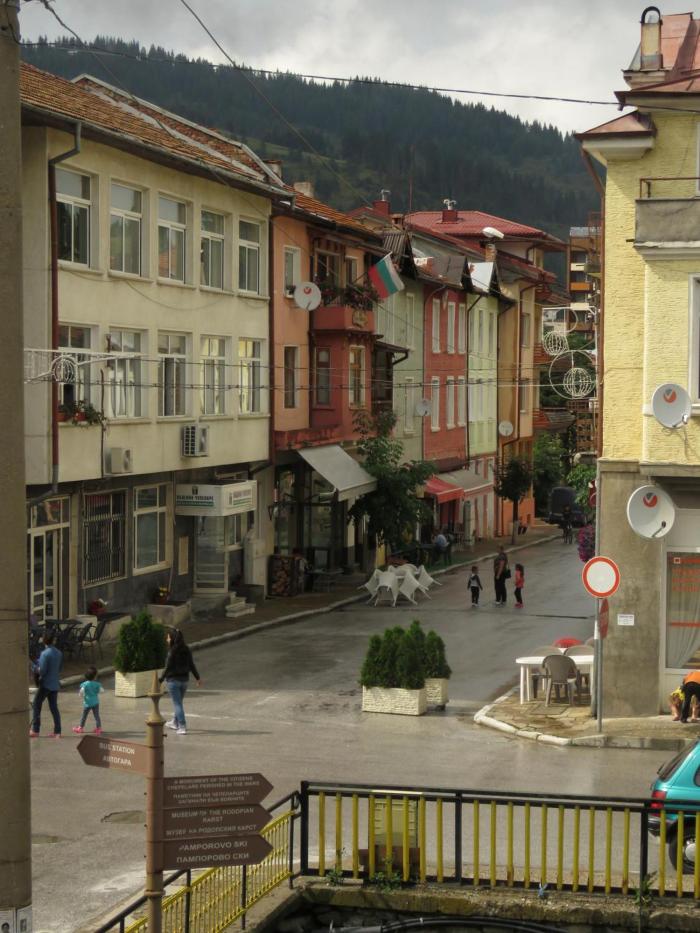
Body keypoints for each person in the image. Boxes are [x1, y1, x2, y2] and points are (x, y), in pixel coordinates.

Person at [159, 629, 202, 735]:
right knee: (178, 703)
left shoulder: (172, 651)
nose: (167, 639)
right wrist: (198, 678)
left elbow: (167, 667)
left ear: (172, 639)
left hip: (173, 681)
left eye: (168, 637)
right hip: (184, 681)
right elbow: (191, 664)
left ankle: (182, 726)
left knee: (177, 704)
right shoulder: (186, 649)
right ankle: (174, 722)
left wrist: (160, 680)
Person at [30, 631, 63, 738]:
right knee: (54, 708)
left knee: (36, 704)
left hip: (45, 684)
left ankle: (35, 729)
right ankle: (57, 731)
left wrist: (34, 667)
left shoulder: (45, 654)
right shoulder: (59, 653)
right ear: (53, 640)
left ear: (44, 640)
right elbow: (59, 668)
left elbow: (42, 671)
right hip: (55, 684)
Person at [72, 666, 104, 735]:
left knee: (84, 716)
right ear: (95, 676)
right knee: (97, 716)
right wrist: (96, 691)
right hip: (95, 702)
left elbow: (81, 693)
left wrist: (82, 696)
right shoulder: (97, 684)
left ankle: (80, 728)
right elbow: (102, 691)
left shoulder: (85, 684)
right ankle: (99, 728)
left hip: (87, 703)